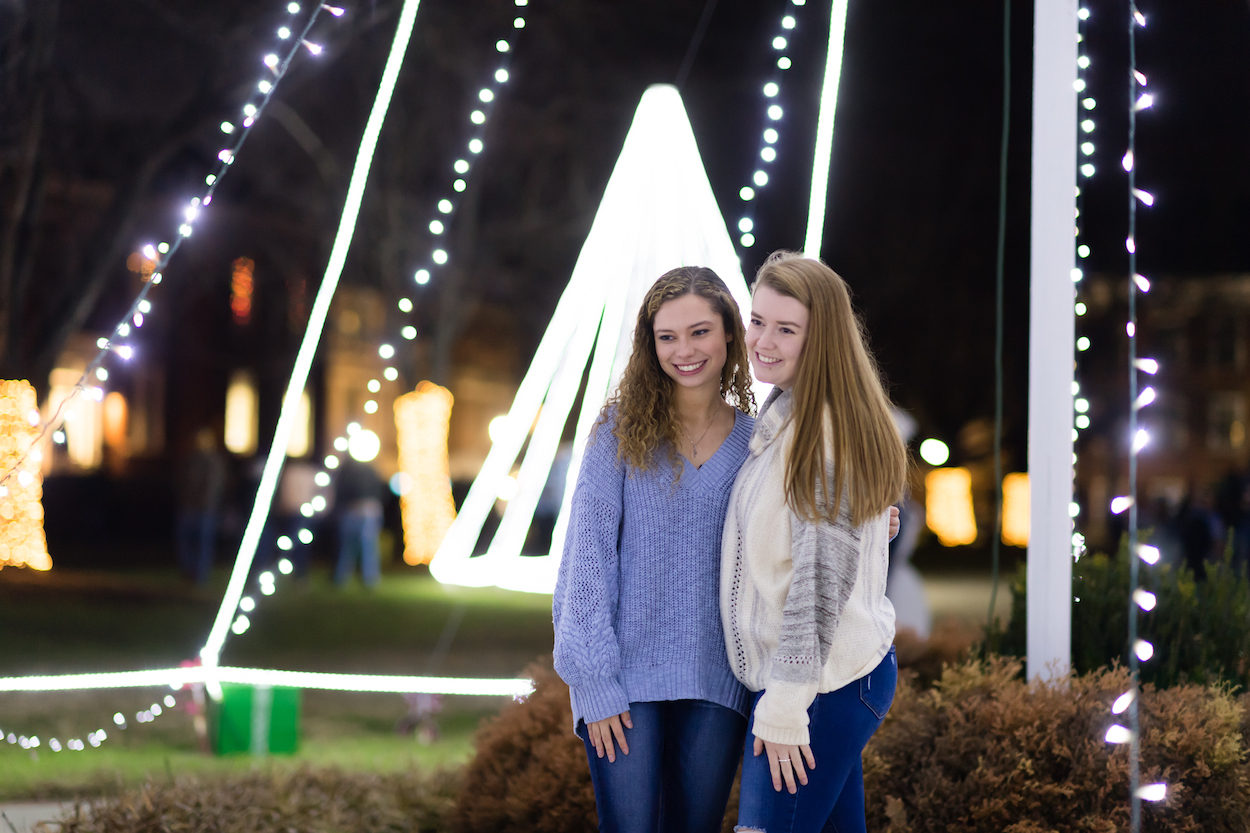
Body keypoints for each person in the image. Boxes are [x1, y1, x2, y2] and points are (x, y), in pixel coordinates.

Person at [552, 266, 758, 833]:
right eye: (667, 336)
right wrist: (594, 681)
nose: (684, 350)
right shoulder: (617, 432)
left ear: (729, 336)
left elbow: (797, 535)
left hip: (718, 680)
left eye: (699, 332)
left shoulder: (758, 442)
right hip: (624, 682)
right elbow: (586, 562)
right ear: (650, 345)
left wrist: (874, 520)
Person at [722, 252, 906, 833]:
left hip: (820, 685)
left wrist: (782, 705)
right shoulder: (791, 413)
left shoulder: (822, 430)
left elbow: (820, 580)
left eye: (786, 329)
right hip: (816, 682)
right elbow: (816, 534)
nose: (763, 341)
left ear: (821, 337)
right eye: (757, 321)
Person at [176, 427, 227, 585]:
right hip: (188, 506)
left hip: (206, 509)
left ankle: (200, 575)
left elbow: (214, 485)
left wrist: (207, 503)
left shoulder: (214, 461)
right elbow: (181, 481)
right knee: (185, 540)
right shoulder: (190, 459)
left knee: (203, 542)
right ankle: (189, 571)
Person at [334, 455, 384, 588]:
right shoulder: (347, 471)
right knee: (348, 547)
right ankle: (341, 578)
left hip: (368, 510)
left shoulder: (372, 470)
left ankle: (370, 580)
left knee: (368, 547)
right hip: (351, 510)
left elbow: (379, 491)